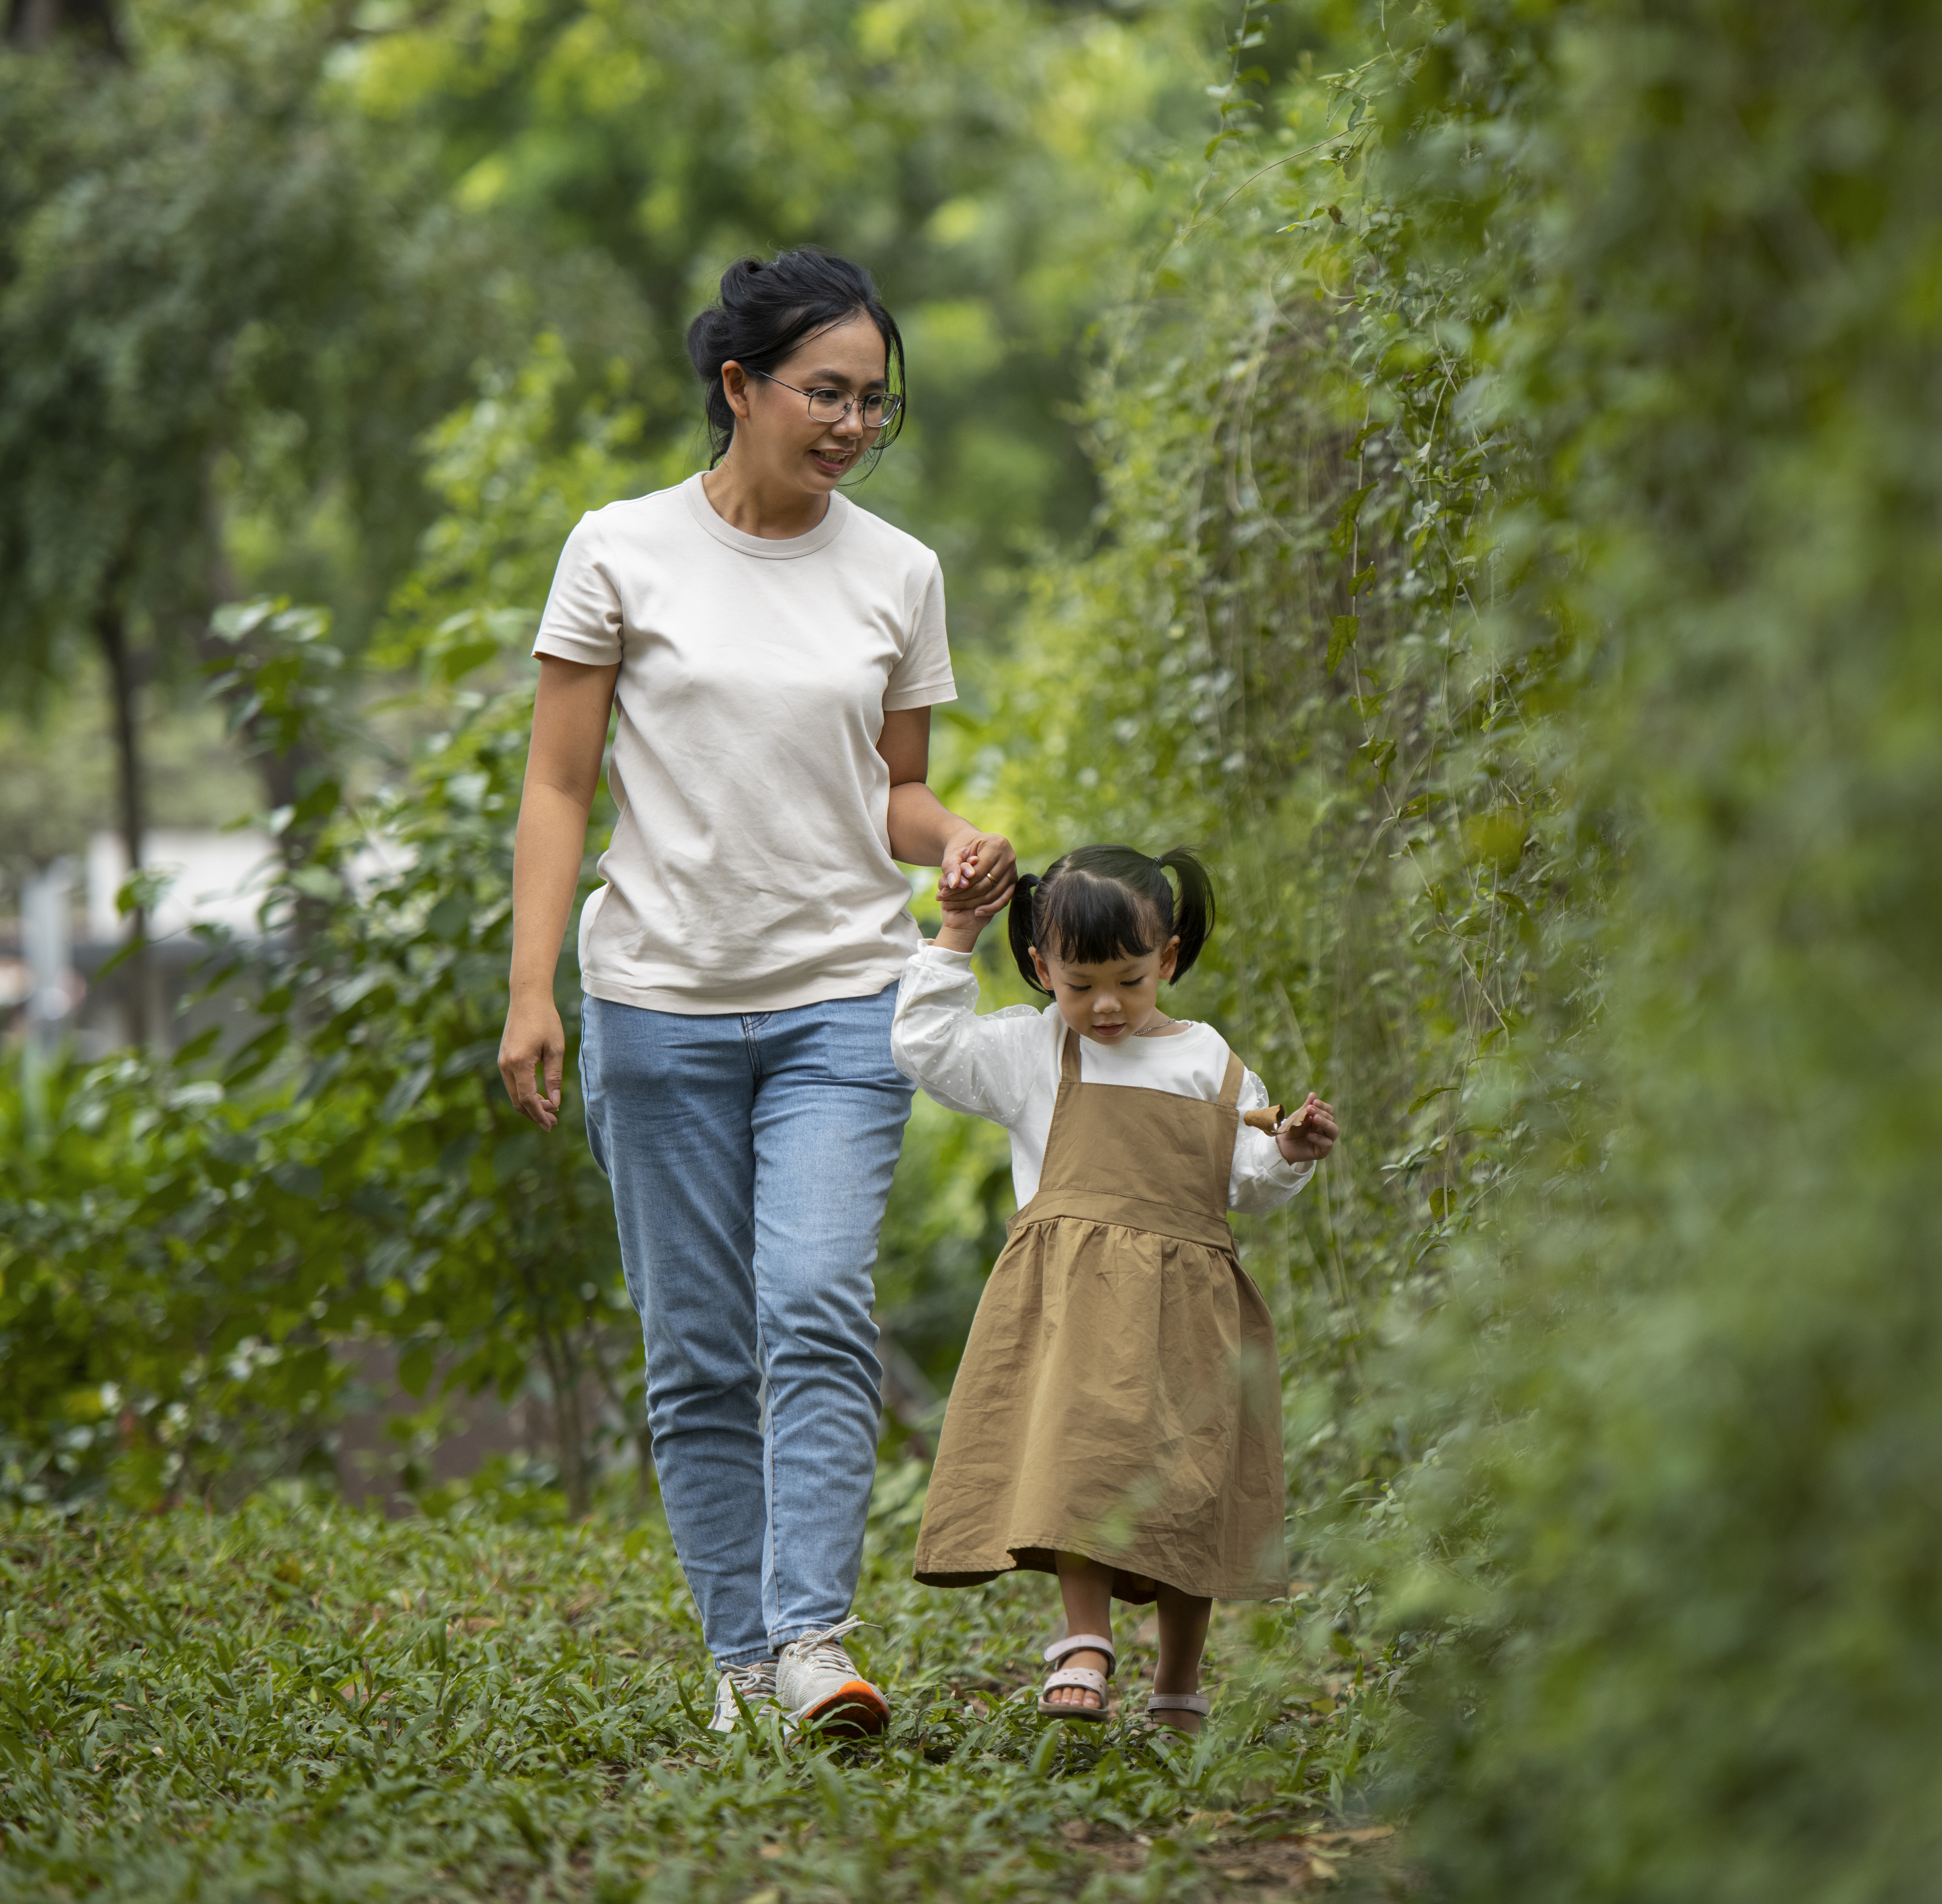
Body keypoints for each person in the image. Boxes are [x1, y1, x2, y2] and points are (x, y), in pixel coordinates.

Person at [496, 246, 1015, 1738]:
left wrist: (957, 842)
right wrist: (533, 991)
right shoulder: (619, 550)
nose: (853, 426)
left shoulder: (897, 571)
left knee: (813, 1301)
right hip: (654, 1001)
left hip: (843, 999)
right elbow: (555, 784)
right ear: (739, 386)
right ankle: (739, 1661)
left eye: (875, 403)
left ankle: (810, 1642)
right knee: (704, 1344)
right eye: (827, 394)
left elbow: (899, 791)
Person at [889, 845, 1338, 1731]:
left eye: (1129, 981)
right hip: (1073, 1311)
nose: (1104, 1006)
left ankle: (1178, 1683)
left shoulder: (1210, 1062)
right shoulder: (1033, 1050)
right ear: (1039, 968)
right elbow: (927, 1047)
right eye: (1078, 983)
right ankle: (1084, 1643)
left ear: (1167, 959)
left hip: (1192, 1312)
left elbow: (1244, 1181)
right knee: (1078, 1466)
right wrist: (952, 937)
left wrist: (1287, 1152)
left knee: (1188, 1485)